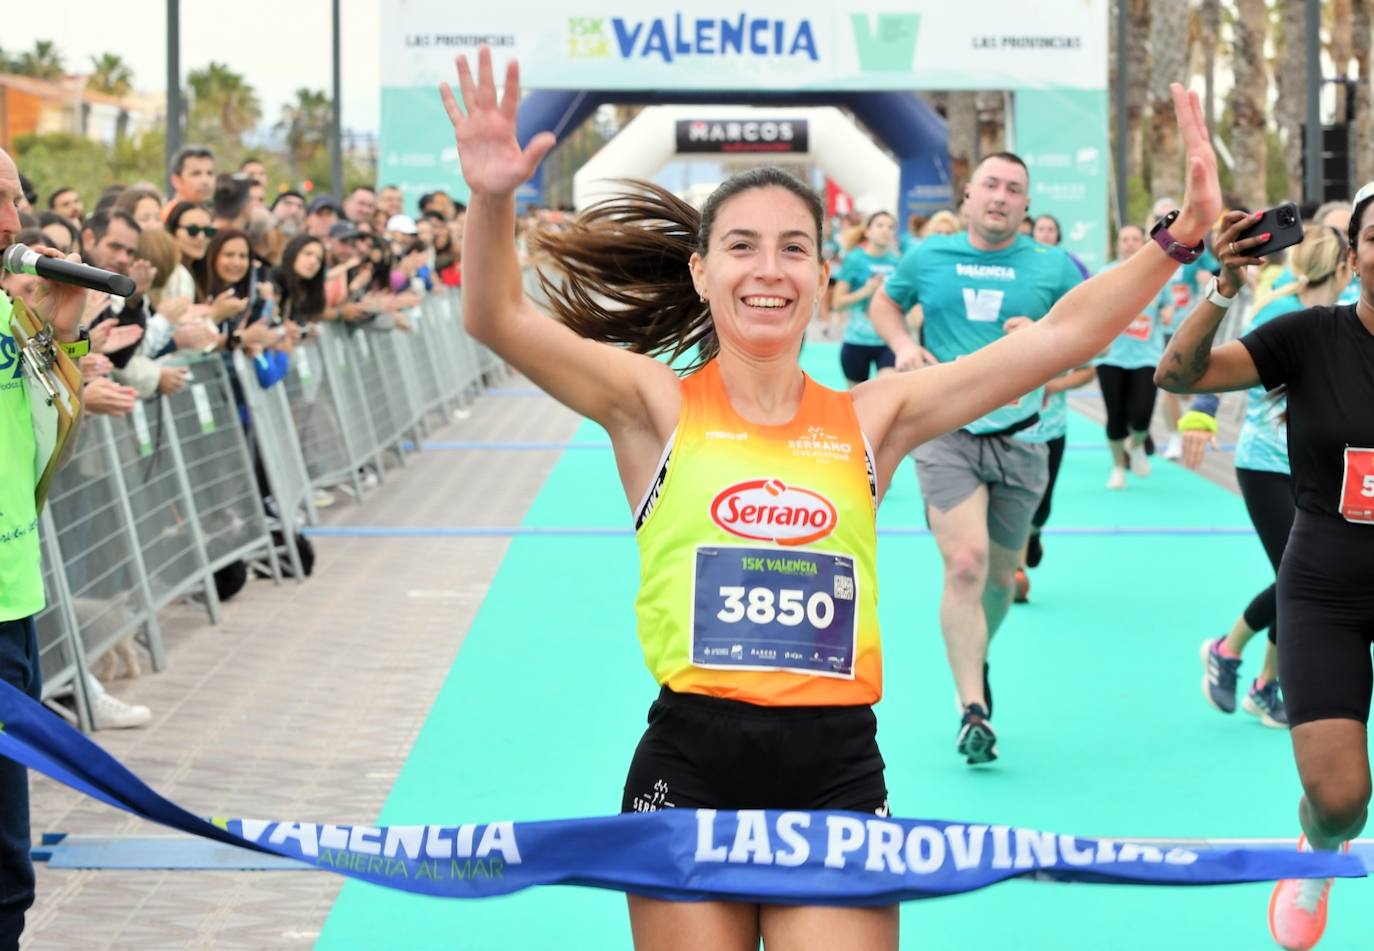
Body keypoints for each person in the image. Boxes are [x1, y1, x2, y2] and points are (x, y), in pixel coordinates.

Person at [444, 46, 1217, 948]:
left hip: (835, 775)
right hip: (688, 768)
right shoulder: (651, 407)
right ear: (701, 273)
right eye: (740, 246)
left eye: (793, 249)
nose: (767, 270)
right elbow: (497, 315)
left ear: (822, 275)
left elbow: (1051, 340)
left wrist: (1176, 242)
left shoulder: (874, 417)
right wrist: (493, 197)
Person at [1156, 191, 1374, 951]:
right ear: (1353, 258)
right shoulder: (1310, 336)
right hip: (1325, 586)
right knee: (1342, 799)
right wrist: (1221, 286)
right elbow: (1178, 375)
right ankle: (1317, 854)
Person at [866, 152, 1086, 764]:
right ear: (967, 197)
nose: (1000, 196)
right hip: (946, 429)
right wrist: (905, 344)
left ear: (1026, 204)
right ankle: (973, 707)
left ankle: (976, 653)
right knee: (965, 562)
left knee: (999, 578)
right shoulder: (927, 257)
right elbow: (885, 303)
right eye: (990, 184)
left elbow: (1092, 339)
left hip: (1024, 437)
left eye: (1014, 188)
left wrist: (1042, 345)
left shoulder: (1052, 266)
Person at [1183, 224, 1351, 737]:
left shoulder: (1352, 313)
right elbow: (1223, 363)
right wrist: (1203, 412)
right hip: (1264, 464)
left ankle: (1261, 684)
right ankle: (1229, 650)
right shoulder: (1280, 311)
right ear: (1344, 267)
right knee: (1298, 577)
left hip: (1321, 470)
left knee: (1301, 578)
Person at [0, 146, 101, 951]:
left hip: (12, 597)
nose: (11, 221)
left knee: (8, 867)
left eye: (15, 198)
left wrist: (58, 332)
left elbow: (41, 450)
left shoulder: (14, 317)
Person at [1012, 363, 1095, 602]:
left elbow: (1088, 371)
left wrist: (1053, 386)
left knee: (1040, 510)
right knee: (1013, 504)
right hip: (1007, 434)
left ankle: (1034, 534)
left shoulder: (1058, 328)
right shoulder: (995, 331)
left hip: (1050, 431)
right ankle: (1016, 571)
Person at [1095, 223, 1167, 489]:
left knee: (1141, 414)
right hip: (1111, 356)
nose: (1129, 243)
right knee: (1115, 416)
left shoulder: (1158, 273)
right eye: (1124, 239)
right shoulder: (1105, 273)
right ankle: (1118, 468)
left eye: (1134, 239)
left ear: (1143, 243)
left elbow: (1168, 304)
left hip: (1147, 356)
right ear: (1117, 244)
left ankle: (1136, 445)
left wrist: (1168, 312)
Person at [834, 212, 902, 387]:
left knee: (888, 390)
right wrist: (867, 291)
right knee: (855, 401)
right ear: (868, 232)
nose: (885, 230)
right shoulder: (854, 259)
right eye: (880, 225)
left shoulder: (898, 263)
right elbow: (838, 304)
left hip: (888, 341)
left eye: (890, 227)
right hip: (856, 341)